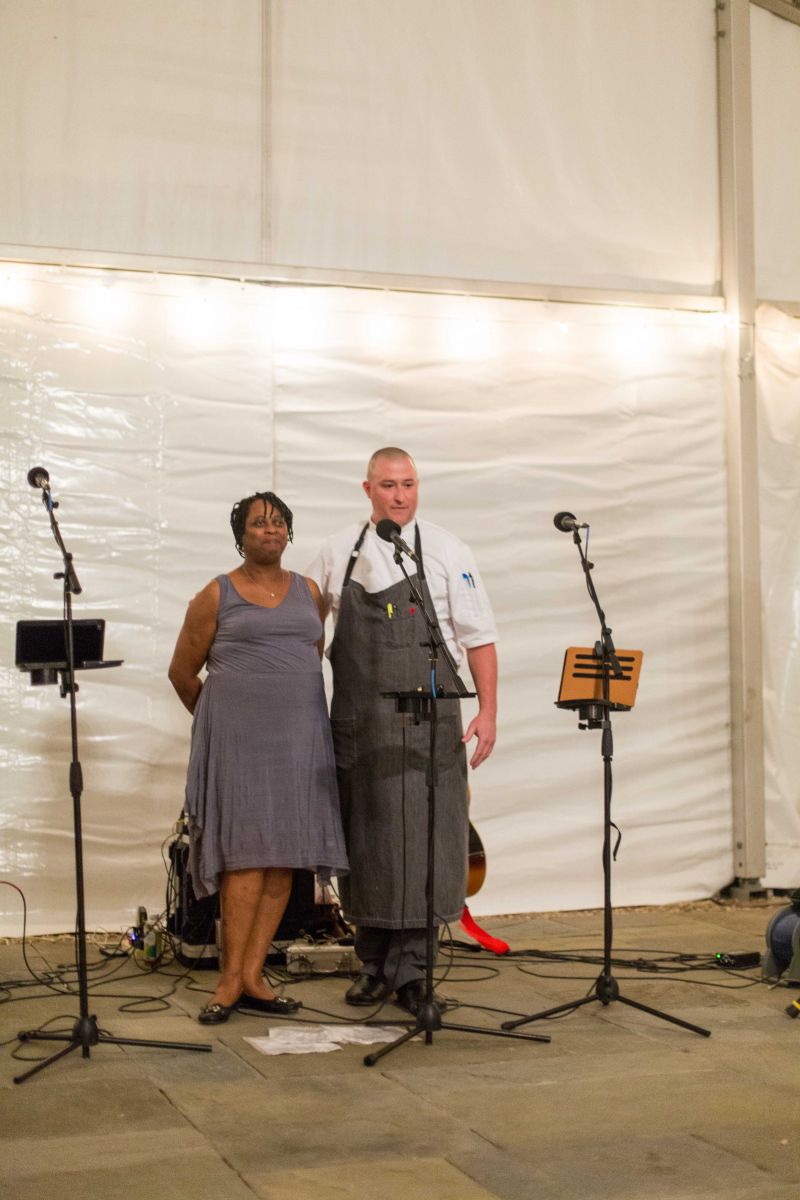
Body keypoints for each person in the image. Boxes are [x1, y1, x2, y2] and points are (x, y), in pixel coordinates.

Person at [307, 448, 498, 1015]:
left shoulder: (446, 550)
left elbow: (478, 636)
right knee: (366, 843)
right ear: (367, 488)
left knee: (424, 845)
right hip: (360, 726)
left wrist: (487, 712)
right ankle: (371, 964)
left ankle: (414, 972)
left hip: (430, 726)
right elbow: (310, 635)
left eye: (409, 484)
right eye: (388, 485)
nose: (400, 495)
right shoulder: (338, 550)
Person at [169, 490, 348, 1024]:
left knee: (283, 860)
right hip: (239, 745)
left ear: (289, 533)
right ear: (240, 535)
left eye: (278, 523)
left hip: (298, 741)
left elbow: (305, 660)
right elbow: (182, 673)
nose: (269, 531)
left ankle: (253, 976)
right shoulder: (215, 594)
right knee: (243, 860)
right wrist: (223, 724)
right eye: (258, 524)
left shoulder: (310, 592)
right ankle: (227, 982)